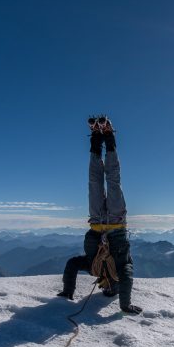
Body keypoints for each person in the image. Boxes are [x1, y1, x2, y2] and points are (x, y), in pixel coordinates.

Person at [57, 117, 142, 314]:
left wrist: (67, 292)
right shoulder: (117, 271)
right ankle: (108, 135)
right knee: (108, 181)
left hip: (100, 222)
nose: (105, 287)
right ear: (113, 285)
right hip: (114, 221)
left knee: (98, 182)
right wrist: (124, 305)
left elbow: (72, 263)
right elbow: (127, 275)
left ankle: (96, 137)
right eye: (109, 288)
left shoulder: (95, 269)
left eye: (104, 288)